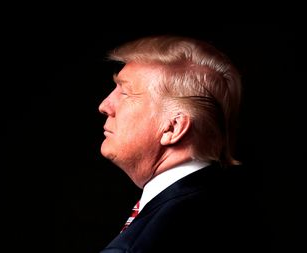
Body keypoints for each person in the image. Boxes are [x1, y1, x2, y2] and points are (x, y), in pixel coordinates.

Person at [98, 35, 270, 252]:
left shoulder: (146, 241)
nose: (104, 106)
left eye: (125, 92)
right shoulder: (234, 208)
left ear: (173, 128)